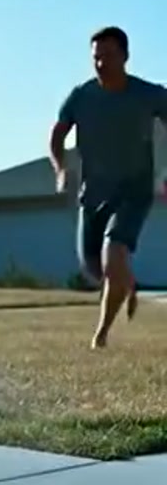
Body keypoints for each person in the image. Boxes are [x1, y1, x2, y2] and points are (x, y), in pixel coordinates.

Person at [49, 26, 167, 349]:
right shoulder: (82, 96)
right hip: (94, 194)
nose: (102, 63)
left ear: (125, 57)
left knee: (113, 256)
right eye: (96, 58)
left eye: (109, 56)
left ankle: (100, 336)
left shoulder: (148, 94)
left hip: (134, 191)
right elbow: (57, 135)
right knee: (93, 267)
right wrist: (61, 168)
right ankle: (126, 281)